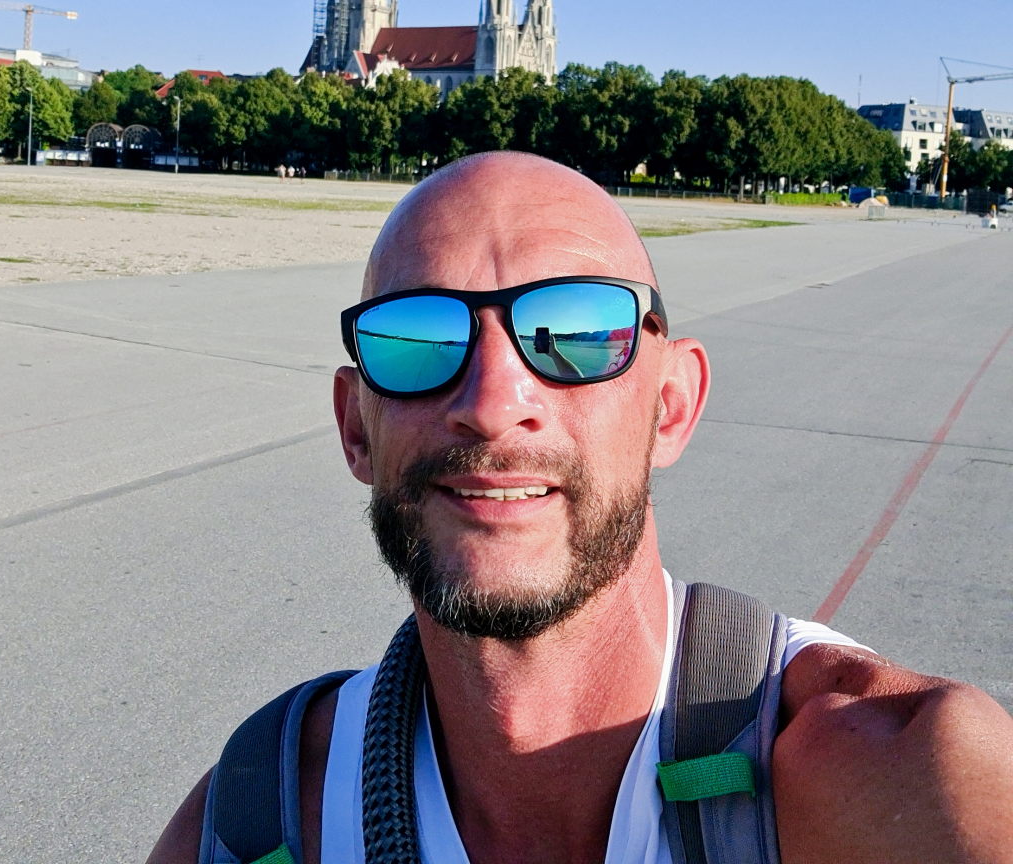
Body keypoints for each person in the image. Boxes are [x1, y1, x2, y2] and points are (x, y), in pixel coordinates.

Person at [150, 152, 1013, 863]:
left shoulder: (890, 773)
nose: (492, 404)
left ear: (671, 405)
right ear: (355, 429)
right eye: (419, 339)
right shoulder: (256, 822)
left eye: (575, 333)